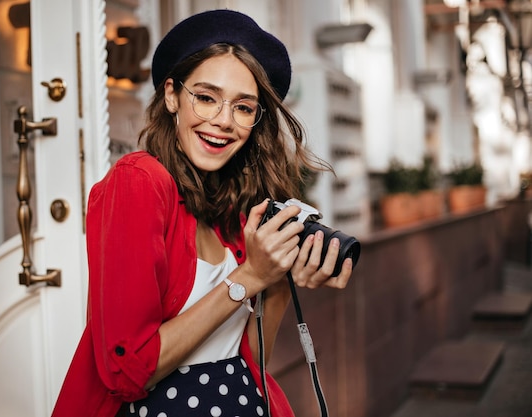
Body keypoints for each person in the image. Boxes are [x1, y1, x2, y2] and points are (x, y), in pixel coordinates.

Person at [51, 9, 353, 417]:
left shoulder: (228, 205)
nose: (223, 121)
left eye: (243, 108)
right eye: (206, 98)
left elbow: (252, 361)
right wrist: (248, 278)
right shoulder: (138, 183)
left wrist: (279, 279)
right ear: (173, 96)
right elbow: (127, 372)